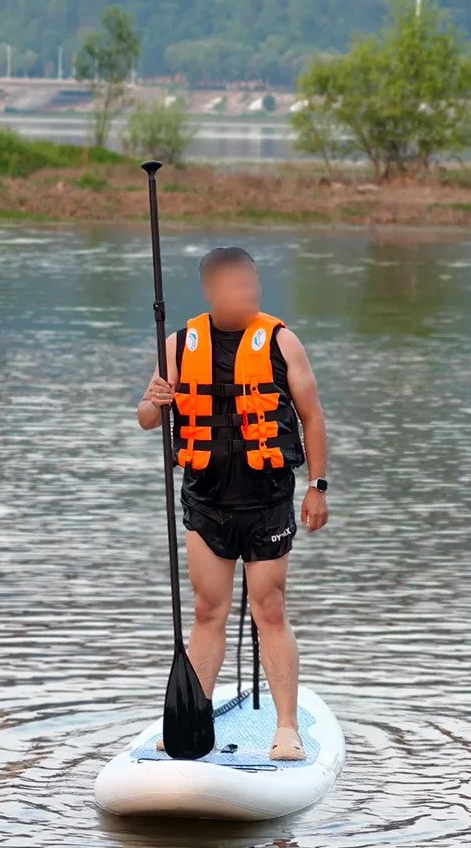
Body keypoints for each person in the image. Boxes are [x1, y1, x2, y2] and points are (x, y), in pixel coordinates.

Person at [137, 247, 329, 761]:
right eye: (238, 285)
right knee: (206, 611)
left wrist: (318, 485)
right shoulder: (180, 344)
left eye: (253, 283)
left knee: (269, 608)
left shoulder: (281, 342)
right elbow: (146, 418)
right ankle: (192, 721)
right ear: (210, 291)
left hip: (266, 500)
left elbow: (311, 415)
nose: (249, 293)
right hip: (206, 500)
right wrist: (153, 399)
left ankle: (286, 728)